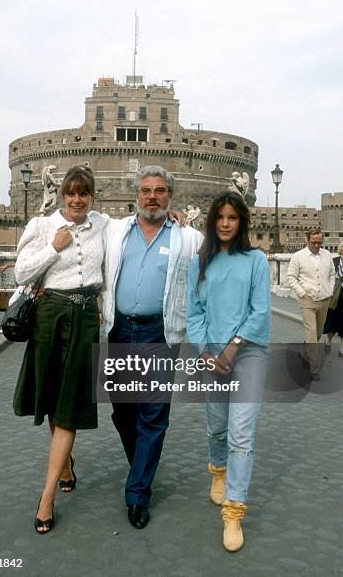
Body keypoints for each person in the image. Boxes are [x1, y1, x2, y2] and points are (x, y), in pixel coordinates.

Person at [101, 165, 203, 529]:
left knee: (153, 416)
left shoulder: (187, 238)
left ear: (170, 196)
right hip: (118, 332)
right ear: (136, 195)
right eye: (146, 190)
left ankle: (137, 493)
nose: (153, 196)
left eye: (160, 190)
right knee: (123, 413)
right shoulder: (114, 231)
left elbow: (212, 273)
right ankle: (141, 465)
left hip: (160, 335)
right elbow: (74, 220)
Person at [13, 165, 107, 534]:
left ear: (93, 197)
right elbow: (21, 274)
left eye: (84, 194)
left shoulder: (102, 225)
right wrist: (53, 249)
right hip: (51, 314)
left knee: (70, 402)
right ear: (62, 194)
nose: (77, 200)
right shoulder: (41, 226)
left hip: (85, 317)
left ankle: (47, 496)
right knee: (53, 395)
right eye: (72, 193)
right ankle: (65, 465)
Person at [187, 191, 270, 552]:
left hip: (248, 352)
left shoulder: (256, 260)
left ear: (242, 222)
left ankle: (233, 513)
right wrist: (207, 352)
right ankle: (217, 471)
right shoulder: (200, 261)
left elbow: (261, 310)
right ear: (211, 221)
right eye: (219, 217)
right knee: (217, 424)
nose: (224, 223)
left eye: (232, 218)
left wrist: (233, 347)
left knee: (241, 433)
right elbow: (194, 312)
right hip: (211, 356)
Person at [286, 230, 335, 379]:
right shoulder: (298, 257)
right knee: (312, 332)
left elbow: (332, 274)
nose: (316, 245)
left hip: (324, 299)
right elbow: (291, 277)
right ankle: (314, 368)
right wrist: (302, 293)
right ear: (307, 240)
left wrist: (330, 288)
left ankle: (304, 352)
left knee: (318, 333)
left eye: (319, 242)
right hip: (307, 300)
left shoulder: (327, 255)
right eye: (313, 242)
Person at [323, 241, 343, 357]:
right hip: (335, 298)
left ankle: (342, 349)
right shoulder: (334, 262)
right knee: (333, 322)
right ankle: (328, 339)